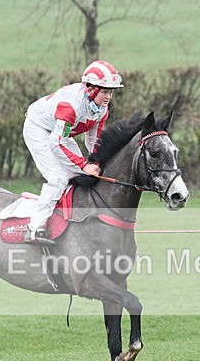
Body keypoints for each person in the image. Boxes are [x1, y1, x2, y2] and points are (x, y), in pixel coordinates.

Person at [22, 60, 124, 245]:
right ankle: (34, 228)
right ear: (91, 89)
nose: (108, 97)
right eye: (105, 91)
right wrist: (85, 165)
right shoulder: (71, 106)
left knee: (79, 175)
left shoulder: (101, 109)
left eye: (111, 92)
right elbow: (56, 143)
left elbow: (93, 141)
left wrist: (97, 163)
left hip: (57, 135)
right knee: (58, 178)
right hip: (38, 129)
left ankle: (69, 218)